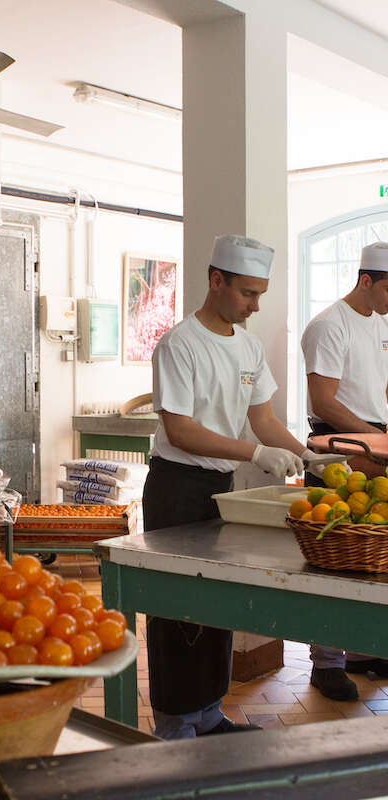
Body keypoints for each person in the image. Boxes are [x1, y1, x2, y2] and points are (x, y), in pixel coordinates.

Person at [145, 234, 320, 740]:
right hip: (176, 487)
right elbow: (180, 429)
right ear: (215, 280)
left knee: (214, 600)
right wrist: (255, 454)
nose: (255, 305)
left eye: (260, 294)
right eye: (247, 293)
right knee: (177, 605)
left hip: (220, 489)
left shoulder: (247, 346)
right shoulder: (180, 344)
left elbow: (262, 418)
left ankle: (208, 713)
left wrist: (311, 458)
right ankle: (175, 725)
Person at [301, 241, 388, 701]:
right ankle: (326, 662)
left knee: (370, 556)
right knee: (330, 561)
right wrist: (371, 439)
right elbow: (325, 402)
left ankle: (360, 650)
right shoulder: (328, 326)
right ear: (366, 280)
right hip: (336, 449)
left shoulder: (379, 323)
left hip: (374, 447)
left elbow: (380, 384)